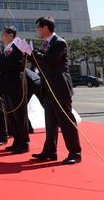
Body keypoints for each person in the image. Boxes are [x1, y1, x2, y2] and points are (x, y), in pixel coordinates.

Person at [29, 16, 82, 165]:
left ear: (45, 28)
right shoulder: (46, 44)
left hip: (59, 87)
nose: (37, 31)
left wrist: (32, 52)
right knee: (50, 122)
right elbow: (39, 61)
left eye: (38, 28)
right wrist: (27, 52)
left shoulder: (59, 42)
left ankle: (75, 153)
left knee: (66, 120)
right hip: (48, 87)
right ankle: (50, 151)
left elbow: (49, 61)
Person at [0, 26, 30, 155]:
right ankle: (17, 141)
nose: (2, 37)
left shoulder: (17, 46)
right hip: (8, 85)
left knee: (19, 115)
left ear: (11, 35)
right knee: (12, 116)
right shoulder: (8, 48)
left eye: (4, 35)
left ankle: (23, 143)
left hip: (16, 85)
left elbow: (17, 64)